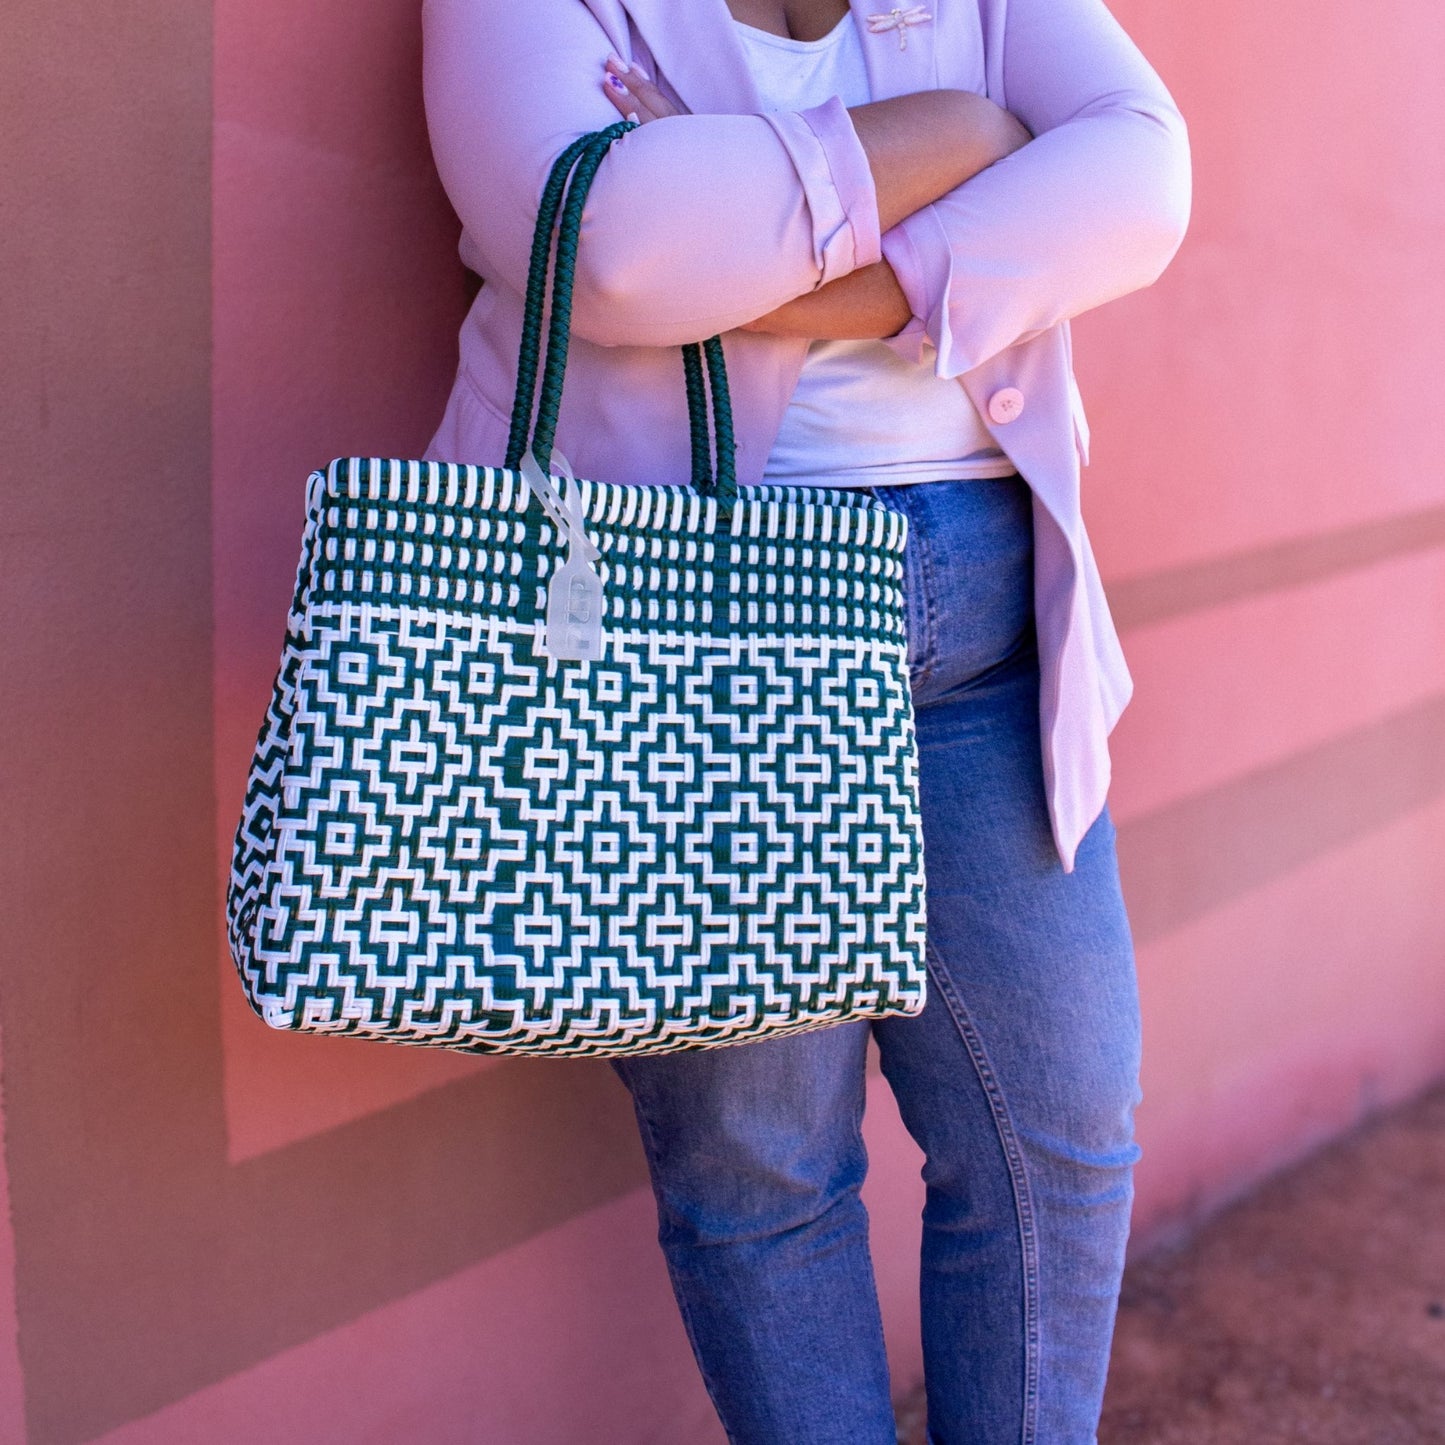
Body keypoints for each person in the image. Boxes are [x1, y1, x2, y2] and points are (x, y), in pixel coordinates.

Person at [419, 0, 1191, 1439]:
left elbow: (1141, 172)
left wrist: (800, 266)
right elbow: (610, 249)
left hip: (989, 628)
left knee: (1063, 1137)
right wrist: (959, 143)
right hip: (691, 634)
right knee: (760, 1174)